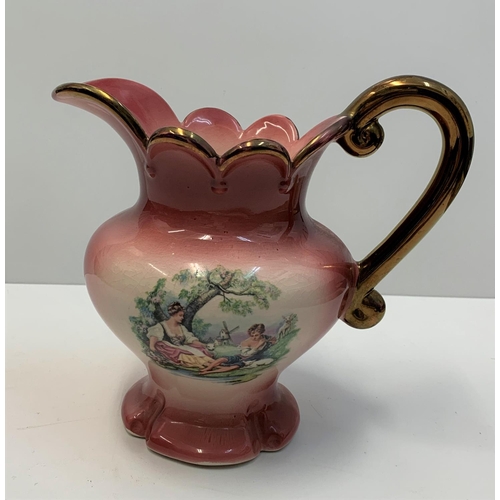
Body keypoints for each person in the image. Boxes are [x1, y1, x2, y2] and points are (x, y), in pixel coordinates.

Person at [148, 302, 214, 370]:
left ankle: (212, 364)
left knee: (199, 351)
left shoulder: (182, 328)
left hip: (183, 349)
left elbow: (190, 339)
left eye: (183, 316)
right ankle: (207, 365)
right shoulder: (160, 327)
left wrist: (204, 345)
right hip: (172, 352)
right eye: (180, 315)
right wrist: (160, 356)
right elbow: (152, 346)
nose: (182, 318)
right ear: (173, 315)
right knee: (185, 356)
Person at [200, 323, 276, 375]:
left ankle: (209, 372)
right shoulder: (246, 342)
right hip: (242, 356)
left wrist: (271, 341)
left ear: (261, 334)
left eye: (256, 335)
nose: (253, 337)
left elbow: (274, 340)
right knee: (222, 359)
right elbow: (245, 354)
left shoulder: (265, 338)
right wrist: (257, 346)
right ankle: (208, 368)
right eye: (252, 335)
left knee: (234, 367)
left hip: (250, 360)